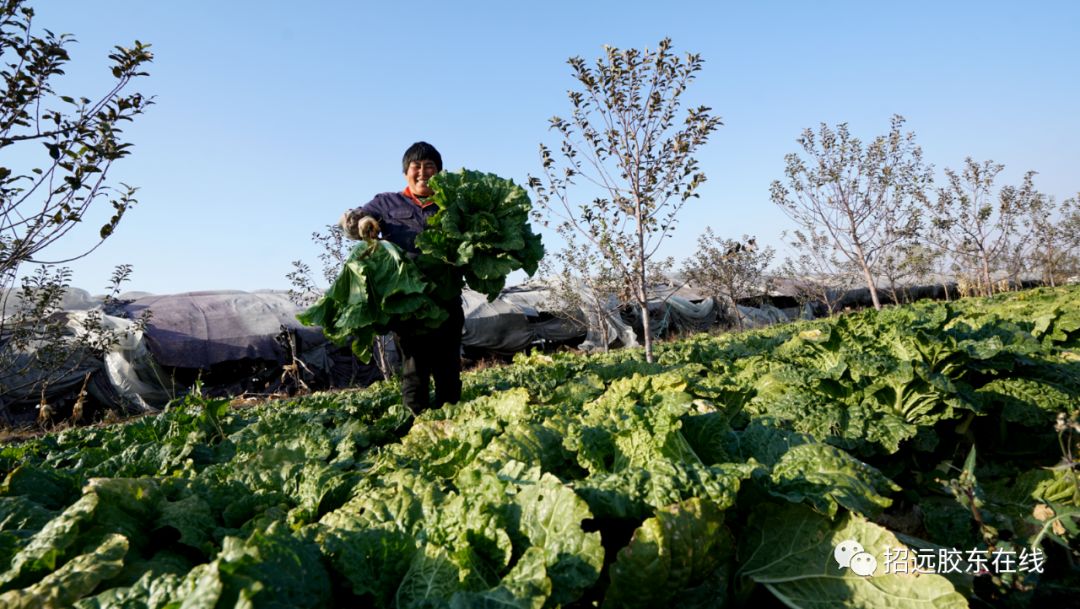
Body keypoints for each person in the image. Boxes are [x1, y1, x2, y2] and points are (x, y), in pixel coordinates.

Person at [339, 141, 464, 412]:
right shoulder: (387, 202)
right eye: (415, 166)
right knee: (414, 371)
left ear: (440, 171)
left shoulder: (454, 203)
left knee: (449, 370)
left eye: (429, 166)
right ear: (406, 172)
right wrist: (360, 223)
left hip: (446, 298)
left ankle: (452, 421)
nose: (423, 172)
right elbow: (353, 221)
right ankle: (416, 427)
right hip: (408, 303)